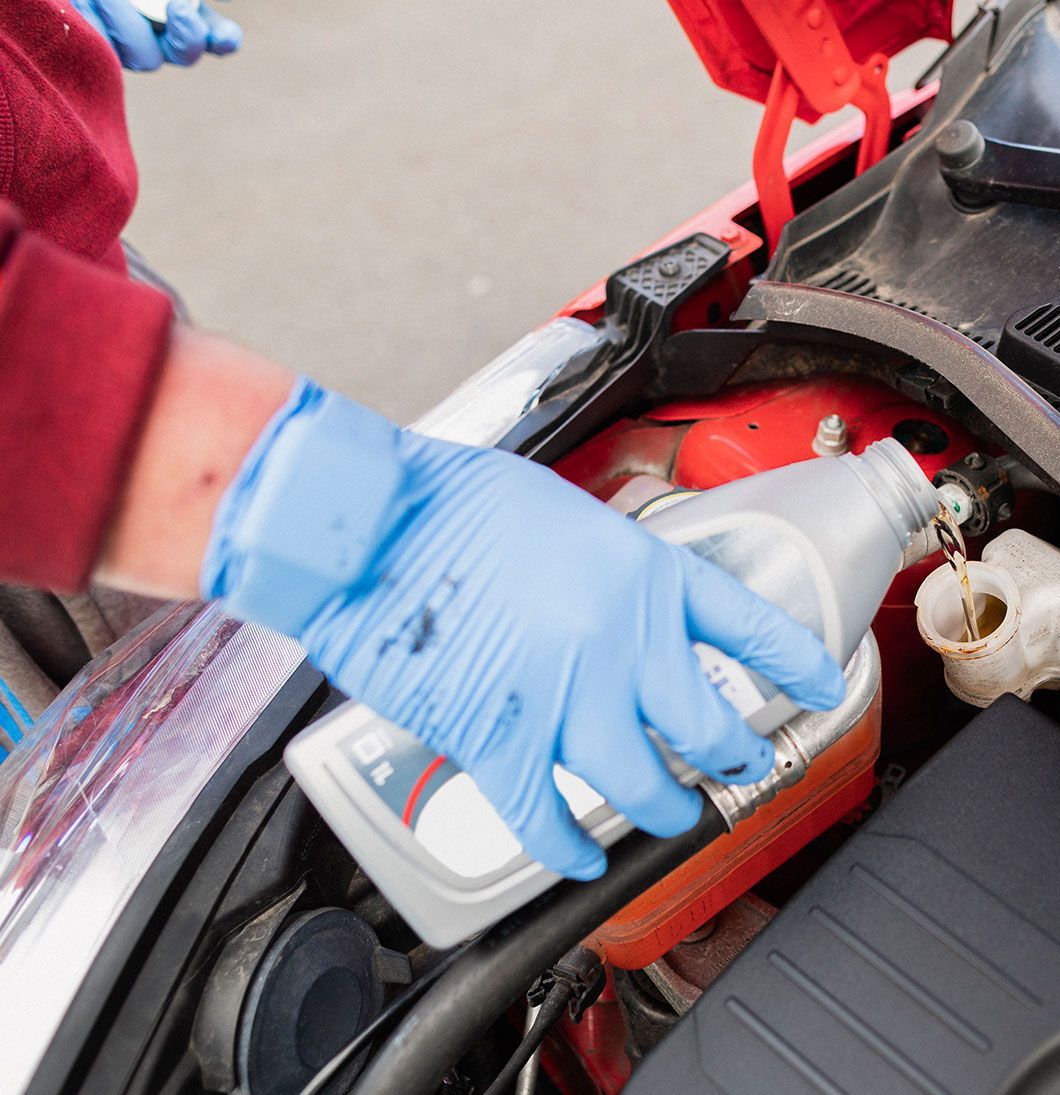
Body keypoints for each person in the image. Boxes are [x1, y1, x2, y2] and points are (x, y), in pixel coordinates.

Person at [0, 0, 845, 878]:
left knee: (201, 736)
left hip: (75, 299)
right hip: (42, 446)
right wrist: (339, 522)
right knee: (79, 889)